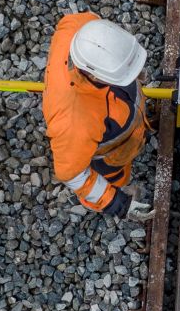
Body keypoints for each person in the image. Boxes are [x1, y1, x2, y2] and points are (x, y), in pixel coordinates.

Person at [43, 12, 154, 220]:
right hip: (111, 157)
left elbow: (69, 21)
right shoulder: (75, 122)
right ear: (94, 74)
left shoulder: (81, 27)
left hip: (121, 112)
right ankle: (111, 190)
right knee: (115, 175)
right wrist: (116, 202)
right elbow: (71, 174)